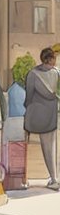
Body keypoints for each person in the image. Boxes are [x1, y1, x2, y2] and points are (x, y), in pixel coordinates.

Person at [24, 47, 60, 191]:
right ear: (51, 59)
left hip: (36, 114)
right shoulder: (57, 73)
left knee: (42, 148)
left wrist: (27, 107)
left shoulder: (32, 74)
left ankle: (53, 178)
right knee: (51, 146)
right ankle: (54, 178)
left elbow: (28, 95)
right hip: (52, 114)